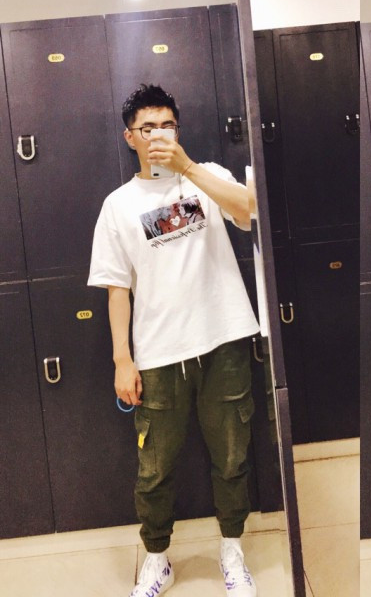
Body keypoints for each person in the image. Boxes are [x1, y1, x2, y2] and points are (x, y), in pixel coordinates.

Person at [88, 84, 260, 597]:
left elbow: (250, 209)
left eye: (167, 125)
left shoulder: (207, 176)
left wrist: (187, 167)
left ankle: (232, 550)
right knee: (155, 468)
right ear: (130, 138)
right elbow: (117, 289)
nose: (158, 135)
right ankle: (157, 558)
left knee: (232, 457)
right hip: (159, 354)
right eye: (147, 128)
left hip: (224, 340)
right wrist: (122, 359)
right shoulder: (117, 206)